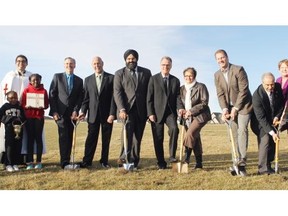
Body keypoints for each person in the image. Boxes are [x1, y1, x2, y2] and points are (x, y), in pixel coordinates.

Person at [214, 49, 253, 176]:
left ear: (227, 57)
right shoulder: (217, 75)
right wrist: (225, 109)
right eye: (218, 58)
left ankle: (242, 161)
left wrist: (236, 108)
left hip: (244, 106)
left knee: (242, 130)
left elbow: (244, 90)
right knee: (233, 133)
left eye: (222, 57)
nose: (221, 60)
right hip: (229, 108)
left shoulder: (238, 69)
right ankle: (235, 161)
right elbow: (220, 94)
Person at [113, 49, 152, 169]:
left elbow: (149, 92)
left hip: (141, 110)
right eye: (128, 59)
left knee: (137, 138)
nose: (131, 60)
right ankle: (123, 159)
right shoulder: (119, 73)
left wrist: (149, 112)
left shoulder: (146, 72)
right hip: (127, 111)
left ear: (136, 59)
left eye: (133, 58)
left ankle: (134, 162)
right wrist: (122, 109)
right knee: (126, 135)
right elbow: (117, 92)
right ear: (125, 60)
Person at [147, 56, 185, 169]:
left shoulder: (175, 80)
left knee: (174, 129)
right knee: (158, 138)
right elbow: (149, 97)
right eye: (163, 65)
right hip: (156, 113)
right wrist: (150, 113)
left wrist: (180, 108)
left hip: (170, 113)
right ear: (160, 66)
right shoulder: (153, 79)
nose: (165, 67)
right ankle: (161, 162)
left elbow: (178, 97)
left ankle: (172, 156)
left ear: (171, 66)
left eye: (168, 65)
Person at [78, 56, 116, 169]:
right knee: (90, 139)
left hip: (107, 115)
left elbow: (114, 98)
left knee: (106, 139)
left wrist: (112, 113)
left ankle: (104, 161)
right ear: (92, 65)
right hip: (93, 115)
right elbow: (86, 99)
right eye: (94, 64)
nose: (97, 65)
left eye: (98, 63)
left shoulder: (111, 78)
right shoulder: (88, 79)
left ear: (102, 63)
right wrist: (83, 112)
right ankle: (87, 161)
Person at [49, 57, 83, 170]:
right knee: (63, 137)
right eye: (67, 63)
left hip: (72, 115)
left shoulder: (79, 80)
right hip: (60, 114)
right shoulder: (57, 77)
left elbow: (79, 98)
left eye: (71, 63)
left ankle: (68, 160)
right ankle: (64, 162)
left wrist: (75, 111)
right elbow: (52, 95)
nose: (69, 65)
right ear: (64, 65)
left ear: (75, 65)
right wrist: (54, 111)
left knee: (70, 136)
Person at [0, 55, 32, 165]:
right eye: (18, 61)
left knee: (24, 137)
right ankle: (7, 160)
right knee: (9, 138)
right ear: (15, 63)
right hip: (11, 113)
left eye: (23, 61)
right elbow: (4, 92)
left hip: (25, 111)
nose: (21, 63)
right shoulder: (9, 76)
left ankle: (22, 159)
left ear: (26, 63)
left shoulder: (30, 77)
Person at [251, 72, 284, 175]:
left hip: (273, 120)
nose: (270, 87)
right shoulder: (257, 96)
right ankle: (262, 169)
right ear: (262, 83)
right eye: (267, 85)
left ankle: (268, 165)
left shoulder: (277, 87)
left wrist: (277, 116)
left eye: (272, 84)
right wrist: (272, 133)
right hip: (259, 122)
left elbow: (281, 104)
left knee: (272, 143)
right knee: (265, 140)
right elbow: (261, 118)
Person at [178, 67, 211, 169]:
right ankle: (199, 163)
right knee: (194, 137)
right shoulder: (182, 89)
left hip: (200, 116)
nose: (188, 77)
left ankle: (186, 160)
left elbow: (204, 102)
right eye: (186, 76)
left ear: (194, 76)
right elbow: (179, 101)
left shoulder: (201, 86)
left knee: (190, 134)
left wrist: (191, 111)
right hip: (187, 117)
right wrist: (181, 109)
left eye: (190, 75)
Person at [21, 73, 49, 169]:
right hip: (29, 118)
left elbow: (46, 105)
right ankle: (29, 162)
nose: (35, 81)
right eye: (33, 80)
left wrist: (43, 106)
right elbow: (22, 104)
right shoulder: (26, 90)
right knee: (30, 139)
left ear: (40, 80)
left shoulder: (44, 91)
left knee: (38, 139)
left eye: (37, 80)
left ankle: (38, 161)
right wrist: (26, 106)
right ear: (30, 81)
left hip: (39, 118)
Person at [0, 91, 26, 172]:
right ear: (7, 98)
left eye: (15, 97)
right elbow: (1, 116)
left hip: (19, 130)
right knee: (9, 146)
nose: (14, 99)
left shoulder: (20, 106)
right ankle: (8, 164)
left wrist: (20, 119)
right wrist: (11, 119)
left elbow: (24, 117)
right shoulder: (5, 106)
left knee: (18, 146)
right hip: (9, 129)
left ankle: (15, 163)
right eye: (11, 98)